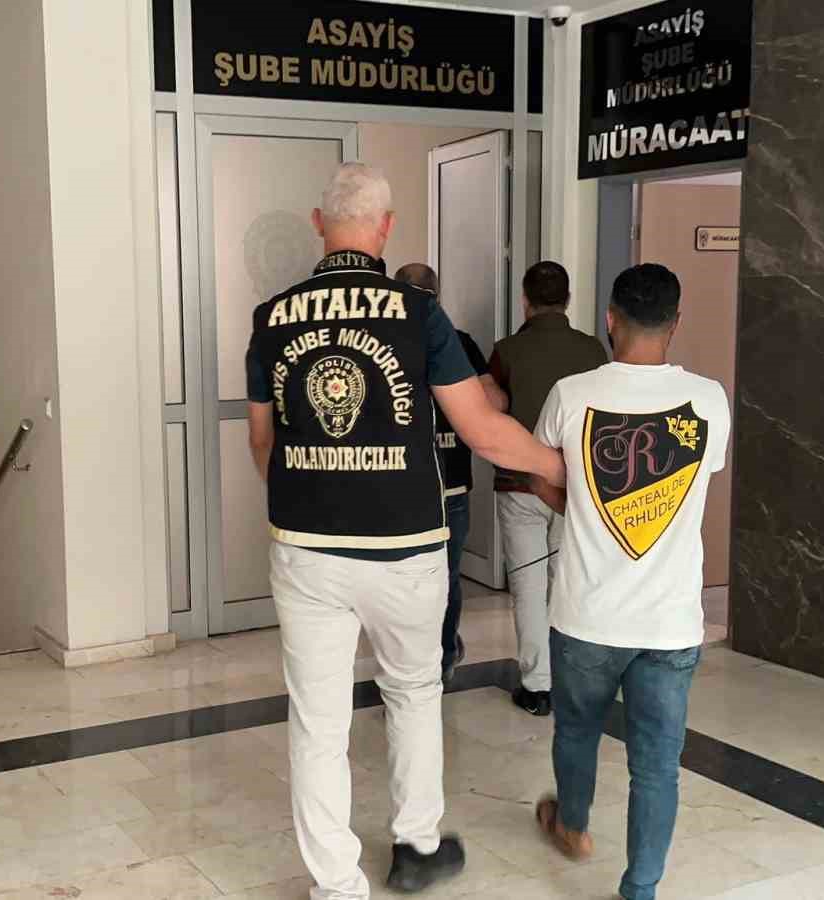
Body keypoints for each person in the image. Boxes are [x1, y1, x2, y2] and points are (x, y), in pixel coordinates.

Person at [245, 163, 566, 900]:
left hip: (306, 547)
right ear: (386, 227)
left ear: (319, 223)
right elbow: (481, 429)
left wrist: (310, 495)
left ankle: (337, 885)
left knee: (318, 719)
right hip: (405, 547)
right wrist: (563, 466)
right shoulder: (417, 314)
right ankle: (417, 846)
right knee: (413, 692)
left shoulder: (271, 317)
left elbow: (262, 443)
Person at [527, 263, 730, 900]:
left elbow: (539, 476)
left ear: (609, 319)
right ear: (676, 322)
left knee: (577, 731)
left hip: (586, 613)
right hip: (670, 621)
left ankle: (573, 825)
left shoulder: (571, 394)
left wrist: (582, 511)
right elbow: (695, 483)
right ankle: (640, 888)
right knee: (658, 765)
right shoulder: (709, 400)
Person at [486, 261, 608, 715]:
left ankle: (537, 685)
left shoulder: (506, 351)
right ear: (568, 300)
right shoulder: (593, 350)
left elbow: (490, 411)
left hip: (519, 485)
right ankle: (569, 675)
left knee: (528, 584)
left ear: (525, 300)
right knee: (568, 582)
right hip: (573, 486)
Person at [390, 263, 506, 683]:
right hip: (449, 484)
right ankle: (440, 660)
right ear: (437, 298)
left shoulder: (384, 345)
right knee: (447, 578)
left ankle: (409, 666)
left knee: (399, 583)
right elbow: (496, 403)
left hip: (398, 485)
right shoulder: (457, 342)